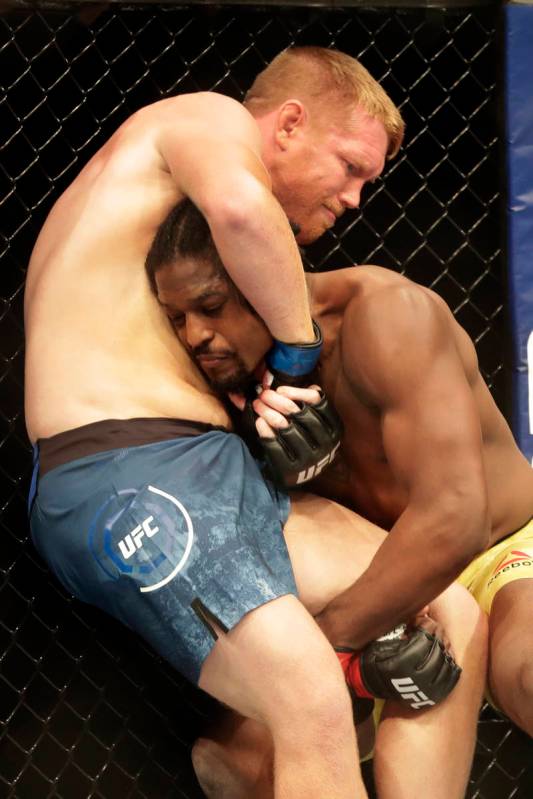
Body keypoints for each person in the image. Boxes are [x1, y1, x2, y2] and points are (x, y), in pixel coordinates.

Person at [24, 46, 463, 799]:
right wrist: (295, 356)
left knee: (444, 601)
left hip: (204, 472)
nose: (356, 198)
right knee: (309, 702)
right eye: (349, 166)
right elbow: (238, 210)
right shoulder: (205, 119)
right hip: (132, 478)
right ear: (287, 124)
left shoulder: (162, 225)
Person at [147, 199, 490, 799]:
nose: (196, 335)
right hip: (374, 554)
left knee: (457, 628)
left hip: (494, 545)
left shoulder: (386, 317)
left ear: (262, 278)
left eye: (210, 307)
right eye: (176, 318)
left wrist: (335, 653)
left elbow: (455, 521)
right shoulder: (224, 381)